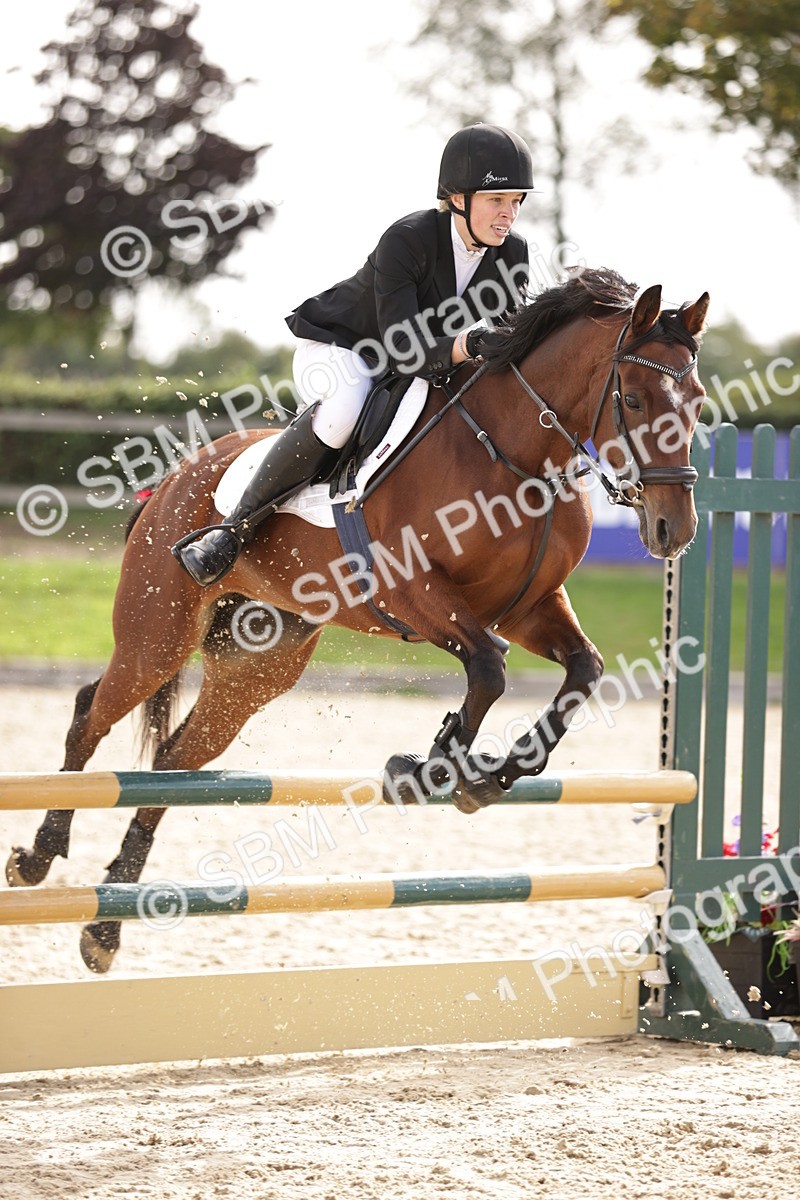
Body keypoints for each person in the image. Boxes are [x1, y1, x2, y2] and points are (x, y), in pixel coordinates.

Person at [174, 123, 535, 586]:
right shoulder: (408, 239)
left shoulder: (512, 254)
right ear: (458, 197)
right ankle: (232, 530)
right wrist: (468, 345)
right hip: (344, 347)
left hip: (420, 360)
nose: (509, 214)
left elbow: (512, 342)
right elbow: (402, 346)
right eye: (497, 201)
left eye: (516, 202)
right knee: (343, 410)